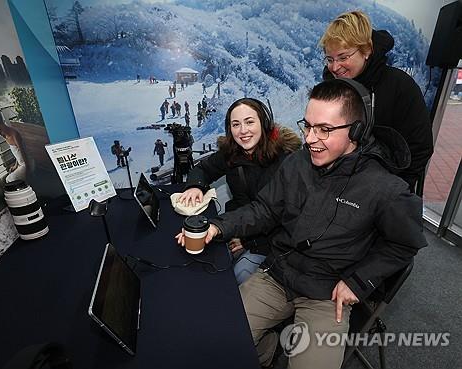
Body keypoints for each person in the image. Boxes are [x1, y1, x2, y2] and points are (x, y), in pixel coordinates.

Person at [176, 79, 427, 369]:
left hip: (326, 293)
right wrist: (218, 227)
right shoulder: (297, 163)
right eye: (307, 126)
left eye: (324, 130)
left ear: (356, 130)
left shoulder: (387, 189)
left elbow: (404, 244)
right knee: (214, 338)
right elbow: (263, 209)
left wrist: (358, 282)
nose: (309, 138)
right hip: (278, 274)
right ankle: (266, 350)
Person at [178, 97, 301, 283]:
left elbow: (279, 219)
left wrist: (246, 241)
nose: (243, 131)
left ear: (264, 123)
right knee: (200, 264)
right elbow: (203, 169)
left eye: (249, 122)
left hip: (268, 242)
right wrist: (196, 185)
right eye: (236, 124)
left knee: (237, 275)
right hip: (234, 228)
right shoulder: (232, 154)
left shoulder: (286, 162)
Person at [320, 10, 433, 192]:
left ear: (366, 51)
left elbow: (420, 147)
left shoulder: (400, 86)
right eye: (330, 59)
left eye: (343, 57)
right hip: (335, 184)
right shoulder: (329, 87)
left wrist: (391, 187)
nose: (335, 67)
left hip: (383, 189)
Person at [0, 110, 29, 182]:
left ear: (3, 124)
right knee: (10, 174)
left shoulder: (14, 134)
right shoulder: (6, 136)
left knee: (9, 179)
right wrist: (15, 166)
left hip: (27, 163)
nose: (0, 134)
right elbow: (18, 154)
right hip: (22, 164)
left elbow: (23, 152)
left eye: (0, 130)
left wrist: (28, 170)